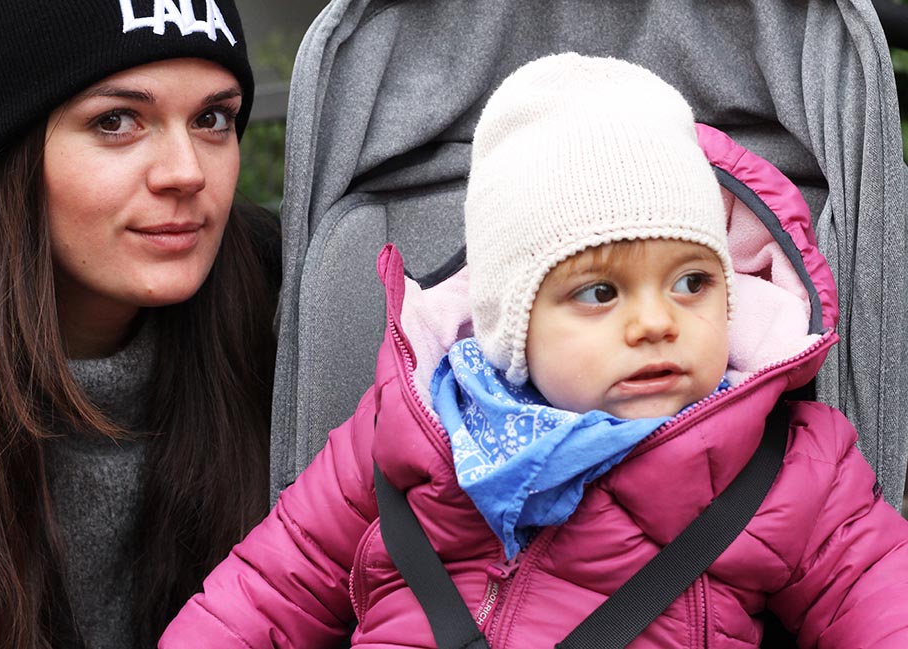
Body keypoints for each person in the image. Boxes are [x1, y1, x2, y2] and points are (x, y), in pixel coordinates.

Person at [160, 54, 908, 647]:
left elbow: (881, 603)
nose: (657, 322)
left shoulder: (792, 466)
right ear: (512, 324)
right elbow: (267, 592)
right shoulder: (403, 427)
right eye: (599, 293)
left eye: (692, 282)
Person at [0, 1, 280, 648]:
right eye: (116, 121)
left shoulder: (290, 322)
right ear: (7, 154)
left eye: (213, 119)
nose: (187, 171)